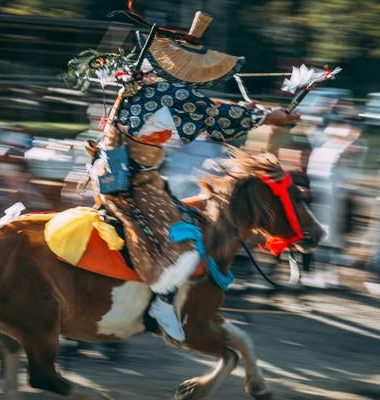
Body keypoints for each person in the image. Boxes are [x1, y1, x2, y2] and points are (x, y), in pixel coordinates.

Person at [88, 11, 299, 341]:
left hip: (129, 177)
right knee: (184, 246)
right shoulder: (166, 96)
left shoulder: (143, 88)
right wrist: (267, 116)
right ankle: (161, 303)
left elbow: (205, 108)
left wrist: (258, 115)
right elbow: (211, 114)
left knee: (191, 228)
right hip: (131, 187)